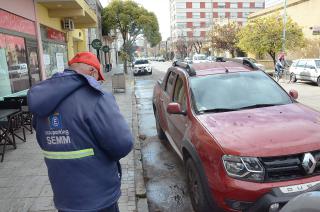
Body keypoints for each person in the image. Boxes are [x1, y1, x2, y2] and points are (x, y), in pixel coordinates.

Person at [27, 52, 133, 212]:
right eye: (98, 79)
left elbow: (42, 137)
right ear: (92, 72)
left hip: (64, 197)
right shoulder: (97, 97)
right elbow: (123, 144)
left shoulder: (43, 98)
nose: (98, 83)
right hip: (99, 198)